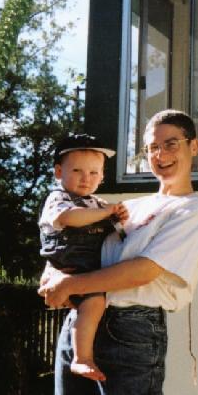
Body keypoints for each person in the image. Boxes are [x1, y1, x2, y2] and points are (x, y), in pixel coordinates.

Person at [39, 109, 198, 395]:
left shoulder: (193, 210)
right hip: (80, 322)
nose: (161, 154)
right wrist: (52, 275)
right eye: (152, 147)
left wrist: (69, 285)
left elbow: (143, 271)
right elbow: (73, 243)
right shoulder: (126, 208)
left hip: (131, 330)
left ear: (193, 146)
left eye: (171, 144)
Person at [39, 134, 128, 381]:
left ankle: (83, 355)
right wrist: (106, 212)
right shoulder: (58, 199)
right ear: (59, 172)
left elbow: (119, 234)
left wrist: (119, 217)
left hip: (88, 268)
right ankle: (81, 358)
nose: (85, 178)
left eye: (94, 172)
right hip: (68, 265)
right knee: (94, 301)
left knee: (94, 302)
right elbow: (70, 218)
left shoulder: (98, 203)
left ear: (102, 176)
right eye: (77, 170)